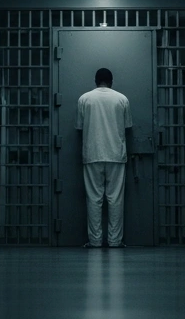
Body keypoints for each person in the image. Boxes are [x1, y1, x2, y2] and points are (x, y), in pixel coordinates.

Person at [76, 67, 132, 248]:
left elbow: (79, 127)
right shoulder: (122, 99)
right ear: (111, 81)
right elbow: (127, 127)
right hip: (116, 154)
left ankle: (95, 241)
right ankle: (115, 241)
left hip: (92, 153)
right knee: (115, 199)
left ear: (95, 81)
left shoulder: (84, 99)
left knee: (94, 199)